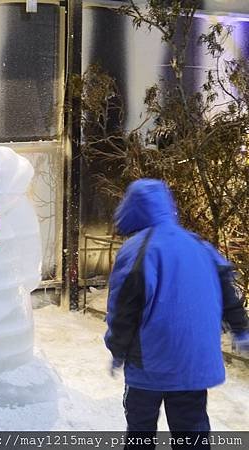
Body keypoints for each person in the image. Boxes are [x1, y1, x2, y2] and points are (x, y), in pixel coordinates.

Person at [105, 179, 249, 449]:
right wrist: (241, 329)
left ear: (132, 209)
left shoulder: (138, 249)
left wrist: (117, 349)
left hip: (150, 363)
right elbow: (228, 292)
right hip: (192, 363)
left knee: (140, 431)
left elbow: (124, 308)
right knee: (192, 432)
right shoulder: (200, 245)